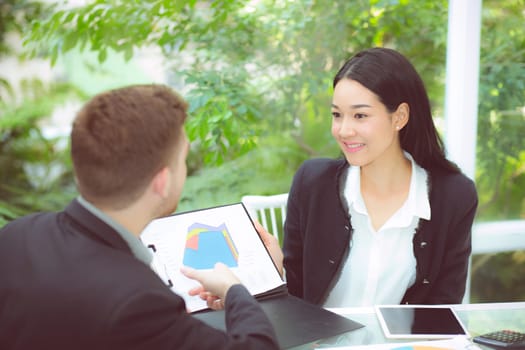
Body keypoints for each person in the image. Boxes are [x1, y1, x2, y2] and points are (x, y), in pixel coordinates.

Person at [0, 84, 279, 350]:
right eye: (182, 159)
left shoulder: (16, 236)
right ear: (162, 182)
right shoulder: (139, 303)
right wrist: (234, 290)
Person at [261, 47, 478, 307]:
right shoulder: (312, 182)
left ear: (399, 117)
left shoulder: (453, 196)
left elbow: (444, 307)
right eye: (337, 115)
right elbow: (296, 295)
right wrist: (274, 272)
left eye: (360, 115)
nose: (344, 130)